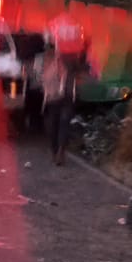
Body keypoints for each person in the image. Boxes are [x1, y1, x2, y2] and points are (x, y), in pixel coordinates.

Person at [41, 16, 93, 165]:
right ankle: (59, 151)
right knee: (62, 122)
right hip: (65, 92)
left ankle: (57, 151)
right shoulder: (72, 55)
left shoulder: (59, 55)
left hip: (58, 93)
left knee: (56, 122)